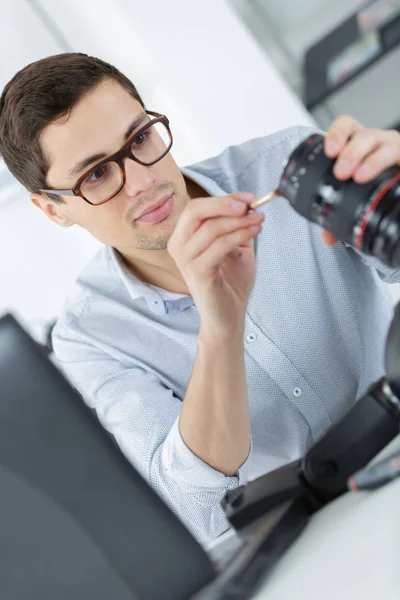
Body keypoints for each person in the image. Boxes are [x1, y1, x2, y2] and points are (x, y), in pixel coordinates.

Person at [1, 53, 400, 545]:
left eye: (141, 138)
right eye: (97, 175)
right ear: (53, 210)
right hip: (308, 536)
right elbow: (200, 510)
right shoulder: (89, 338)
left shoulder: (284, 167)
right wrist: (220, 328)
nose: (144, 182)